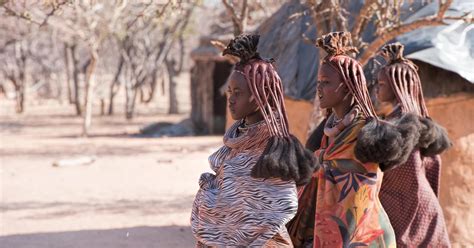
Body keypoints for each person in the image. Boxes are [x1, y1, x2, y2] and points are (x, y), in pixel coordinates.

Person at [190, 34, 316, 247]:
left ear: (262, 95)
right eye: (229, 91)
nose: (230, 98)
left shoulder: (273, 152)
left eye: (238, 92)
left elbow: (281, 205)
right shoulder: (234, 144)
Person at [287, 31, 396, 248]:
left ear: (347, 86)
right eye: (318, 81)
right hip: (321, 232)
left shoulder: (366, 133)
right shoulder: (328, 132)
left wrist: (324, 165)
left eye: (326, 82)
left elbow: (362, 193)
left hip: (360, 238)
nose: (318, 88)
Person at [375, 42, 451, 247]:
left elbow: (404, 177)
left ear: (397, 86)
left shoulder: (402, 126)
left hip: (412, 218)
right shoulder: (417, 120)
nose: (376, 89)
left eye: (381, 85)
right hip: (423, 213)